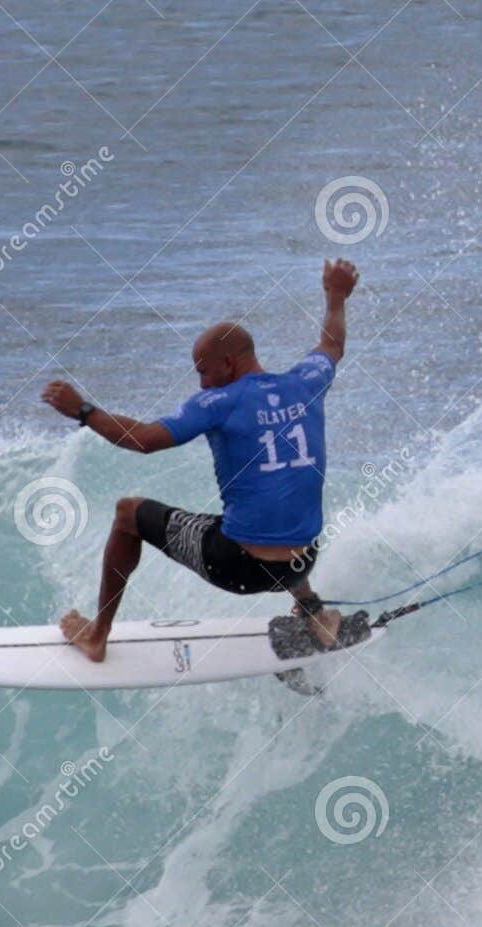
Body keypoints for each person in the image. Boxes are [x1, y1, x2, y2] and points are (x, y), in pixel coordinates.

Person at [39, 257, 360, 661]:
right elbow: (332, 344)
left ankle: (97, 635)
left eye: (204, 371)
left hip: (239, 568)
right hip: (302, 561)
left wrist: (82, 411)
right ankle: (312, 611)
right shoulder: (306, 383)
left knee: (128, 514)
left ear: (228, 363)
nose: (201, 382)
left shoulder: (218, 402)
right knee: (275, 499)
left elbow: (142, 440)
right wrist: (336, 295)